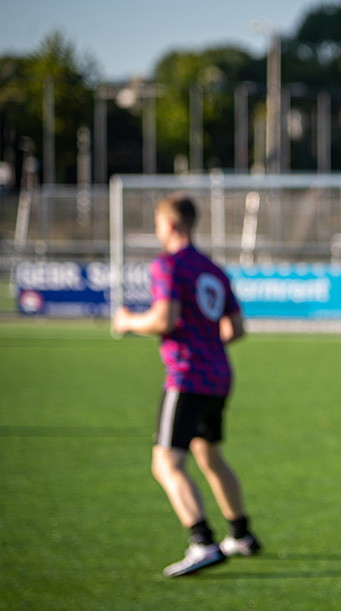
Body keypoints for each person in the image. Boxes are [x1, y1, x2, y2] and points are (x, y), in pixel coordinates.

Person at [114, 193, 260, 577]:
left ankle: (203, 542)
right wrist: (208, 343)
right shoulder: (213, 269)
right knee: (208, 454)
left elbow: (165, 319)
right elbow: (237, 328)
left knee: (166, 463)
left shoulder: (169, 265)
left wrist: (127, 321)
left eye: (159, 224)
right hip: (219, 374)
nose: (158, 231)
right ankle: (241, 534)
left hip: (187, 375)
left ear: (171, 225)